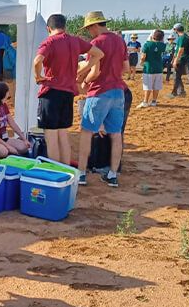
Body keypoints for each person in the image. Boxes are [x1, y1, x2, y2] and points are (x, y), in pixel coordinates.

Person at [32, 13, 103, 165]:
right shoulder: (75, 41)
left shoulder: (50, 41)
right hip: (68, 93)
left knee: (51, 138)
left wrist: (38, 76)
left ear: (48, 28)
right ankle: (65, 170)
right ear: (64, 26)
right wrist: (81, 71)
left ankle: (55, 172)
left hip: (51, 93)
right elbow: (99, 54)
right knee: (63, 135)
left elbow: (37, 61)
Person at [75, 11, 127, 188]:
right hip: (118, 91)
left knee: (87, 132)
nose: (89, 32)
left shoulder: (96, 43)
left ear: (94, 26)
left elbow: (95, 72)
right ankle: (112, 174)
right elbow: (126, 68)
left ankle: (81, 173)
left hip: (99, 92)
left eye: (89, 28)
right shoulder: (120, 41)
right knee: (116, 134)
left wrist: (82, 79)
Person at [0, 82, 30, 158]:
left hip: (4, 138)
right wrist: (7, 146)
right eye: (8, 91)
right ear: (4, 93)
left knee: (24, 147)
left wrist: (24, 139)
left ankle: (7, 151)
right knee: (4, 151)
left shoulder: (4, 105)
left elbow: (12, 124)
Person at [137, 29, 167, 108]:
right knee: (156, 86)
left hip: (149, 68)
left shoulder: (147, 44)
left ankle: (145, 101)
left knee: (148, 86)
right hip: (159, 68)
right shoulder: (163, 45)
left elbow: (143, 56)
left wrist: (141, 62)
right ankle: (154, 101)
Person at [169, 23, 189, 99]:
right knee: (177, 76)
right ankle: (181, 91)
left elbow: (180, 50)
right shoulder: (185, 37)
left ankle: (175, 93)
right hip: (184, 59)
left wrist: (176, 60)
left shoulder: (181, 38)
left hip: (181, 59)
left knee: (176, 76)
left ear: (176, 30)